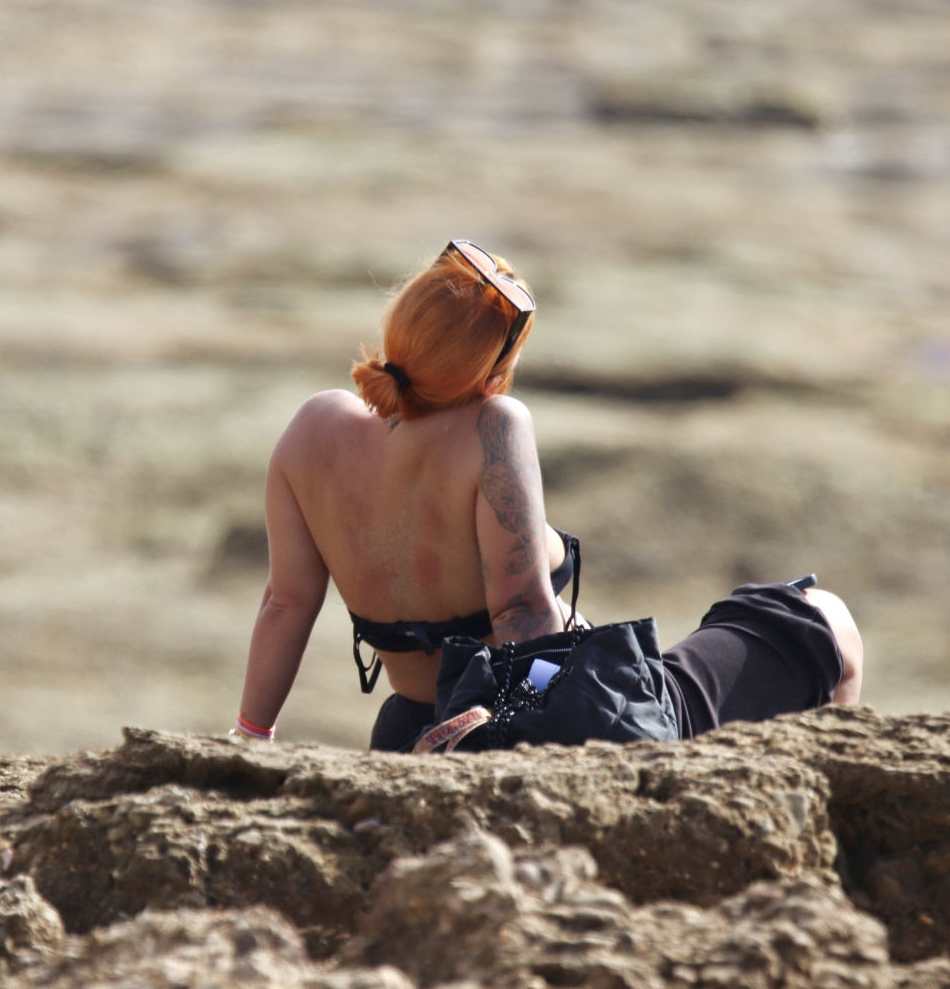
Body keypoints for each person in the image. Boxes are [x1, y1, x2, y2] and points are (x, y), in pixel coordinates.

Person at [231, 240, 863, 750]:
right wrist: (523, 746)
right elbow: (521, 612)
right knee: (819, 619)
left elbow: (286, 603)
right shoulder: (493, 426)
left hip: (408, 728)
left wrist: (250, 737)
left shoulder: (314, 428)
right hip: (566, 715)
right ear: (491, 369)